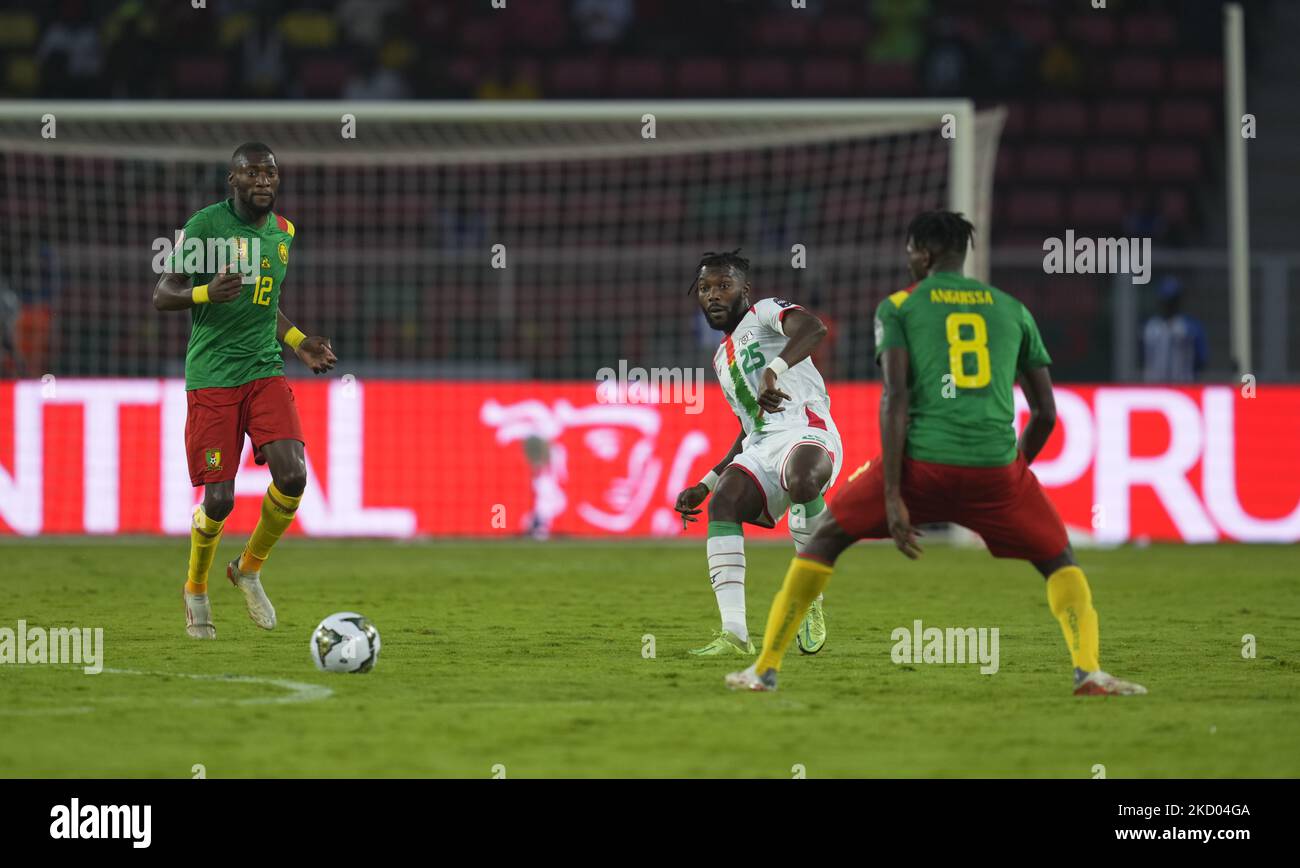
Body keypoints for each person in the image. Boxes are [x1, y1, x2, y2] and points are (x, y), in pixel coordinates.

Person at [727, 212, 1146, 697]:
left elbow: (896, 399)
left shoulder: (899, 307)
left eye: (909, 251)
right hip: (996, 471)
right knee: (1059, 560)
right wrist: (1011, 481)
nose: (908, 260)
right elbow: (1047, 413)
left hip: (920, 468)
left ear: (923, 254)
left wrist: (891, 495)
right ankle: (1089, 671)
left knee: (823, 542)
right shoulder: (1011, 308)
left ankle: (765, 671)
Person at [154, 142, 337, 639]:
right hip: (213, 376)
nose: (263, 181)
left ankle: (248, 569)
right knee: (218, 501)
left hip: (264, 368)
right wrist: (203, 292)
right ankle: (195, 588)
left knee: (294, 475)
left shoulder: (283, 234)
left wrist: (299, 343)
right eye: (251, 173)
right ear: (231, 181)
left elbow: (266, 302)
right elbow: (162, 292)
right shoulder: (204, 228)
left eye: (270, 173)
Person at [675, 250, 842, 656]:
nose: (713, 295)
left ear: (745, 291)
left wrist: (774, 371)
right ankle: (734, 634)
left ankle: (810, 596)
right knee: (725, 501)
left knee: (803, 478)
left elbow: (814, 329)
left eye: (723, 285)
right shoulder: (719, 359)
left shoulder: (766, 312)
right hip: (763, 446)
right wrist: (705, 483)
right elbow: (746, 430)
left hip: (807, 430)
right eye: (704, 288)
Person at [1141, 277, 1206, 382]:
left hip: (1183, 386)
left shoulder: (1190, 327)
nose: (1169, 305)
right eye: (1166, 301)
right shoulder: (1150, 328)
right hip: (1154, 386)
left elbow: (1201, 359)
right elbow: (1141, 356)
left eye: (1172, 301)